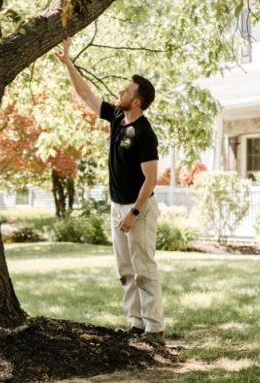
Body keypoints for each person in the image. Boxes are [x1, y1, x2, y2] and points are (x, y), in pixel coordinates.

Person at [55, 38, 165, 344]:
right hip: (118, 206)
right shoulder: (117, 118)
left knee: (143, 268)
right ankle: (136, 323)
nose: (121, 92)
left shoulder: (145, 133)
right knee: (126, 269)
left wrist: (134, 212)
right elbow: (86, 94)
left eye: (127, 91)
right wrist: (68, 62)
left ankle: (155, 329)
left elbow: (151, 179)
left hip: (138, 209)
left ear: (138, 101)